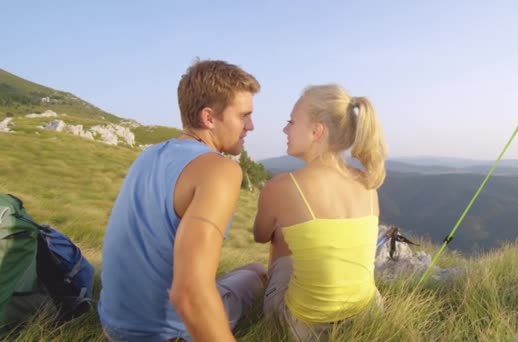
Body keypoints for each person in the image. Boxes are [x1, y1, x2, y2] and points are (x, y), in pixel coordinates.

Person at [98, 59, 266, 342]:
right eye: (243, 116)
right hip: (165, 334)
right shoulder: (220, 170)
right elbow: (189, 294)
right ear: (209, 118)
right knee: (259, 274)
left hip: (113, 324)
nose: (251, 125)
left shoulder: (149, 155)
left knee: (247, 270)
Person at [253, 84, 388, 341]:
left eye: (291, 121)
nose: (285, 129)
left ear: (317, 131)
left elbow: (260, 236)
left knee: (281, 234)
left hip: (301, 327)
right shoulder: (368, 184)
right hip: (367, 314)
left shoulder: (281, 186)